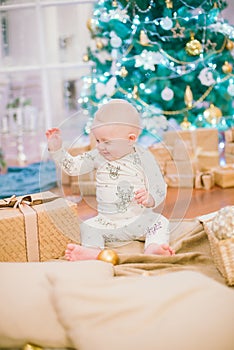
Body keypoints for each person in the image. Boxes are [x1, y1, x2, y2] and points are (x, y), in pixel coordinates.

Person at [46, 99, 175, 261]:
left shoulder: (144, 158)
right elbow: (73, 167)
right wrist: (57, 150)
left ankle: (153, 248)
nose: (100, 146)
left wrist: (150, 198)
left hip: (139, 220)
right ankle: (92, 251)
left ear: (131, 139)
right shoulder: (97, 155)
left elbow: (159, 186)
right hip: (108, 223)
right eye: (98, 140)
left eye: (106, 142)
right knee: (88, 226)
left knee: (160, 221)